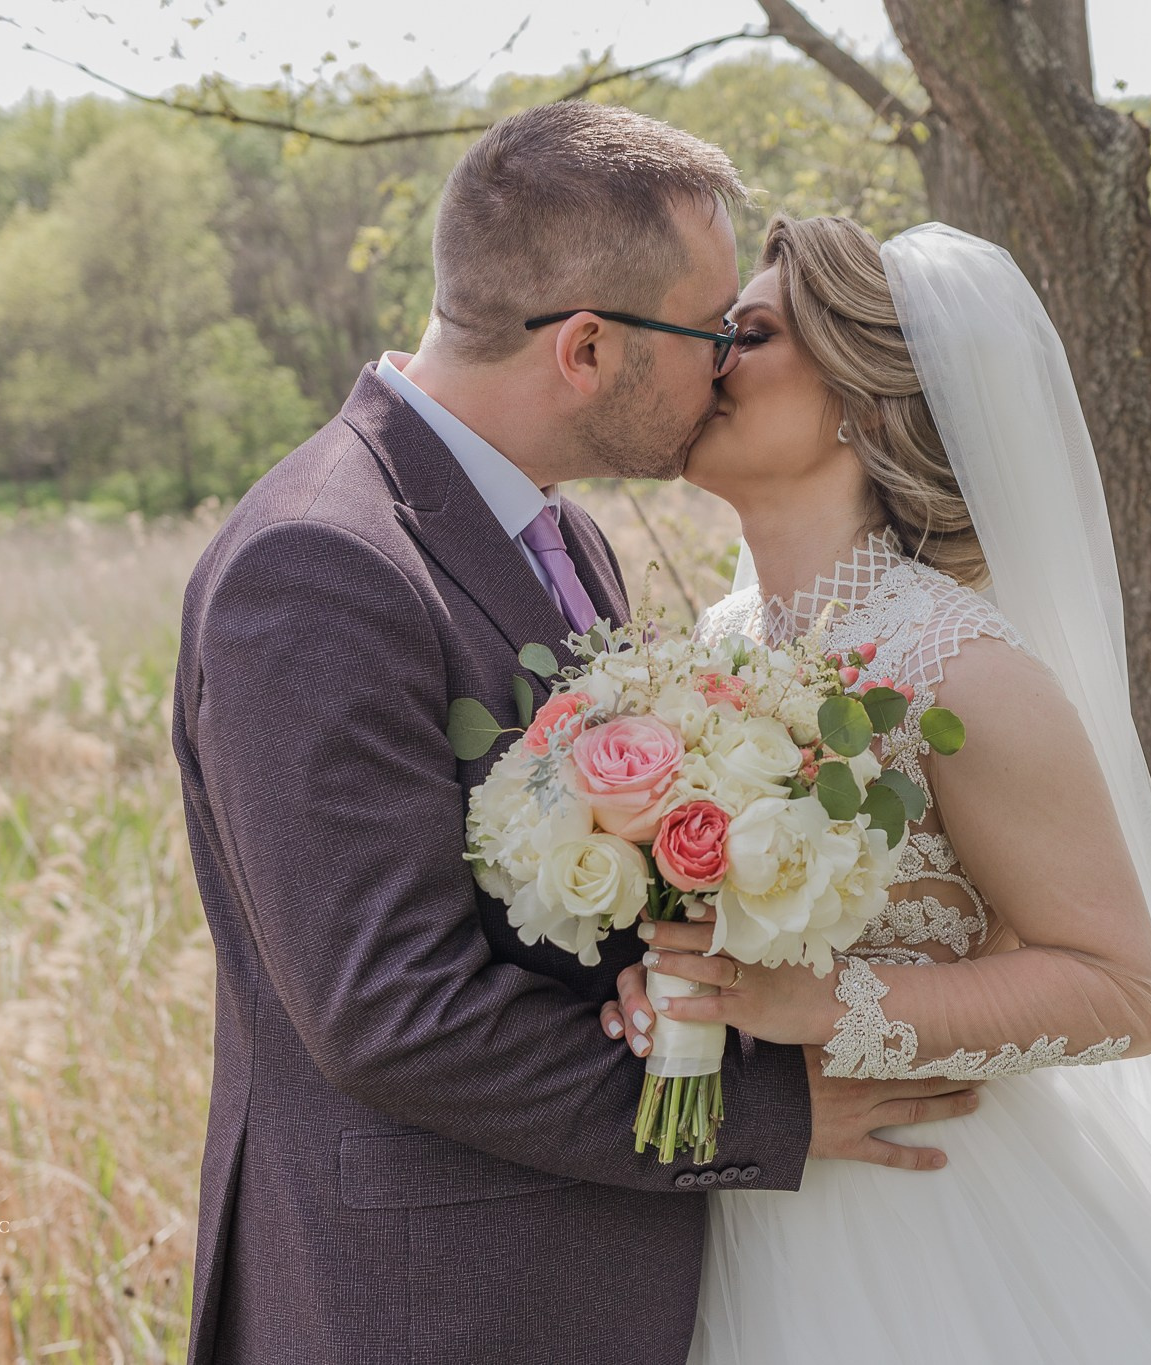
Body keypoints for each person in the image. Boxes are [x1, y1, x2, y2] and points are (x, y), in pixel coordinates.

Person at [170, 108, 975, 1365]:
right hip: (428, 1301)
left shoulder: (563, 537)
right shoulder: (320, 564)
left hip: (584, 1278)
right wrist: (764, 1110)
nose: (727, 365)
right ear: (589, 347)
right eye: (712, 331)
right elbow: (389, 1010)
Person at [602, 215, 1151, 1364]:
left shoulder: (954, 666)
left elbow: (1118, 990)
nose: (705, 355)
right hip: (742, 1192)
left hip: (929, 1225)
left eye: (750, 332)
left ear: (863, 399)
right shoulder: (707, 653)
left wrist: (823, 1010)